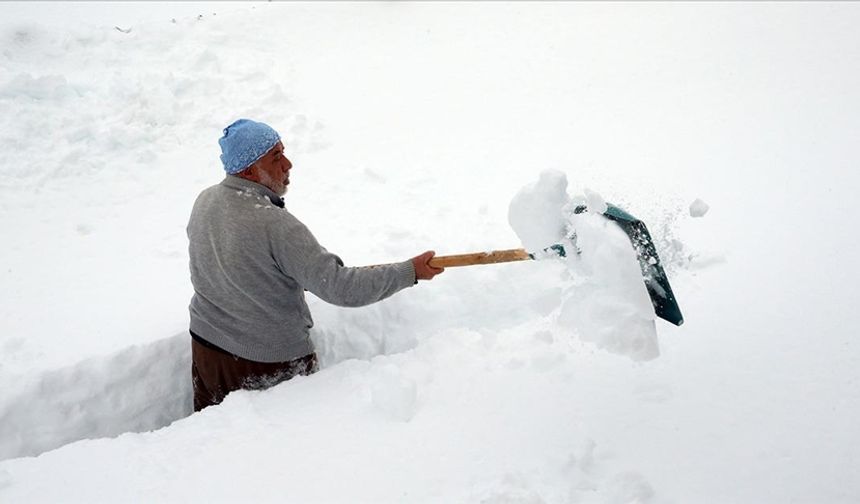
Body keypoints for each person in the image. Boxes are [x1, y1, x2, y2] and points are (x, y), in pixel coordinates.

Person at [187, 119, 443, 411]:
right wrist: (411, 271)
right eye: (276, 157)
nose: (288, 163)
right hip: (265, 363)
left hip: (206, 349)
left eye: (284, 151)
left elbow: (227, 262)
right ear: (248, 170)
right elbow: (339, 288)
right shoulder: (275, 225)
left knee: (213, 446)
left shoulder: (205, 200)